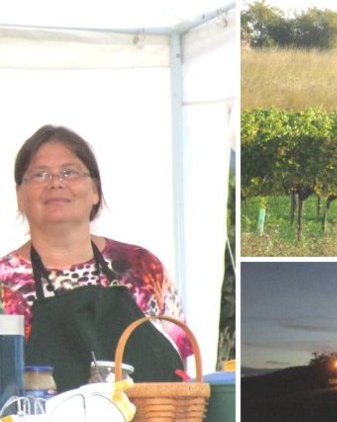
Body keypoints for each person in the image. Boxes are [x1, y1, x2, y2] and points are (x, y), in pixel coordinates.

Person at [0, 125, 193, 392]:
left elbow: (182, 373)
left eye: (69, 172)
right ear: (20, 196)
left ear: (95, 191)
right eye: (39, 174)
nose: (56, 182)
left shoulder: (143, 268)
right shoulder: (4, 284)